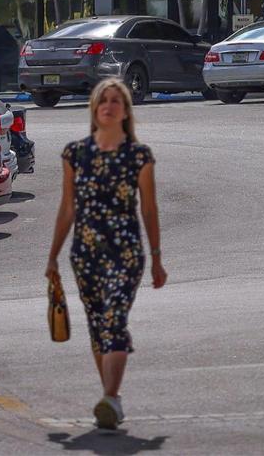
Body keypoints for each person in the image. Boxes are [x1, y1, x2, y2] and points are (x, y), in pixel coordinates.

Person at [46, 78, 166, 432]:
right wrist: (52, 257)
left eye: (116, 101)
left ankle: (111, 397)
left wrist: (157, 258)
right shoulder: (75, 154)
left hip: (126, 253)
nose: (109, 106)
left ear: (126, 112)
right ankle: (110, 398)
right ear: (94, 110)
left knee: (114, 321)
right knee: (98, 327)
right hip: (84, 254)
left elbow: (150, 209)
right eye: (103, 101)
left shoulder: (138, 156)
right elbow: (66, 208)